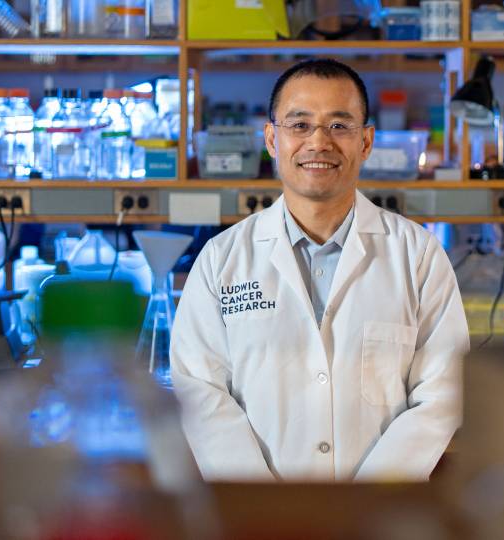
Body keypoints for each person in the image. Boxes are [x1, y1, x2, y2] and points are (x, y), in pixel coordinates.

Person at [170, 59, 469, 482]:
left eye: (339, 126)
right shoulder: (222, 259)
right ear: (271, 139)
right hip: (257, 507)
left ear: (366, 142)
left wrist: (367, 503)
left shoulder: (417, 255)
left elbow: (444, 392)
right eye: (300, 125)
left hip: (377, 508)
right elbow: (199, 391)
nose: (318, 142)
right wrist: (260, 503)